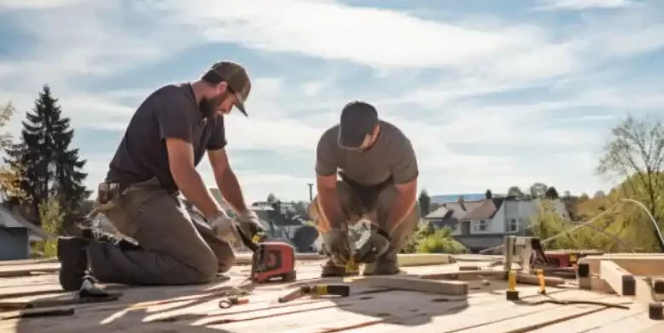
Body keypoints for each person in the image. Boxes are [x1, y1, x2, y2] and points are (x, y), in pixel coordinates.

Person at [56, 61, 265, 290]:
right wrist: (215, 215)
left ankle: (135, 251)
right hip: (131, 195)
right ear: (221, 87)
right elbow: (182, 169)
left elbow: (222, 170)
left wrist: (245, 213)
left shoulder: (212, 118)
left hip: (163, 197)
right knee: (200, 265)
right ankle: (85, 256)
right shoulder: (175, 102)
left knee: (223, 257)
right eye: (231, 103)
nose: (227, 110)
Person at [308, 101, 419, 277]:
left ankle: (385, 258)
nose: (354, 149)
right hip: (352, 191)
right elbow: (327, 189)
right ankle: (340, 257)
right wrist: (336, 231)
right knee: (322, 200)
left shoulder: (398, 143)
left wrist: (384, 233)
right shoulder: (328, 141)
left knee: (405, 204)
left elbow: (407, 193)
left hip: (384, 194)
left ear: (375, 131)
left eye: (359, 143)